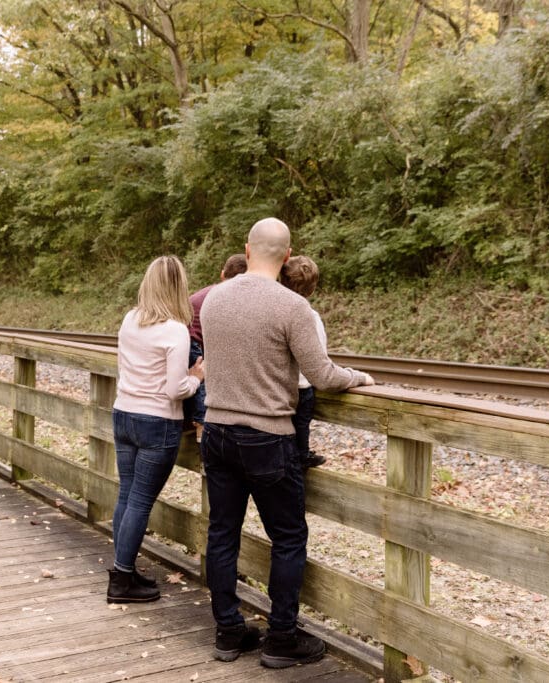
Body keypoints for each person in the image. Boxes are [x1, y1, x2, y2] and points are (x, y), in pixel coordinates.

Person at [198, 218, 373, 666]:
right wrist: (360, 377)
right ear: (289, 255)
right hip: (267, 438)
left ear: (247, 247)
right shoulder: (291, 306)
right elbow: (323, 375)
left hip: (216, 431)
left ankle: (229, 631)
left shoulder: (214, 298)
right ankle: (281, 639)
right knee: (289, 537)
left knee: (222, 532)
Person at [109, 255, 205, 604]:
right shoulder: (176, 331)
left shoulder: (130, 319)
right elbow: (174, 389)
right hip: (157, 422)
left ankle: (123, 569)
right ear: (178, 287)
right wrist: (196, 377)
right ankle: (121, 581)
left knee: (126, 494)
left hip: (124, 414)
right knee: (139, 500)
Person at [184, 254, 247, 442]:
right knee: (202, 375)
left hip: (182, 337)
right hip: (193, 340)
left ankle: (200, 421)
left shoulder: (209, 292)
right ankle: (202, 425)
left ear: (222, 274)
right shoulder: (227, 296)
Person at [279, 255, 327, 469]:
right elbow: (320, 355)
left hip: (280, 386)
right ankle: (302, 454)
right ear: (313, 288)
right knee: (301, 423)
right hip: (302, 385)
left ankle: (291, 455)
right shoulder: (310, 316)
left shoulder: (276, 311)